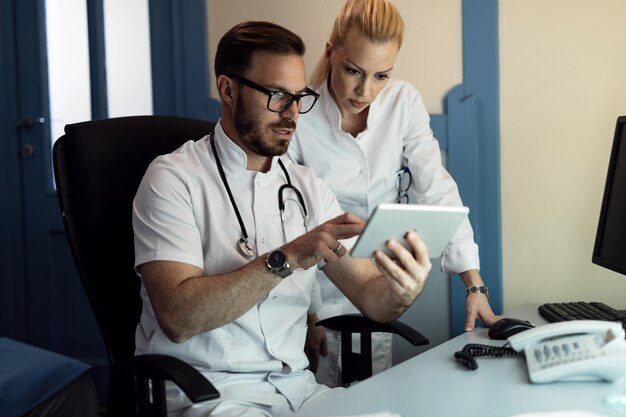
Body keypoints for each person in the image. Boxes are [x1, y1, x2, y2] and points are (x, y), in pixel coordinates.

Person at [132, 20, 431, 417]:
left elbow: (371, 298)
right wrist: (286, 257)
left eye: (299, 96)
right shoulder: (172, 179)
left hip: (298, 391)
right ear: (227, 89)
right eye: (276, 96)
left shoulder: (309, 188)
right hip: (210, 394)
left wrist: (401, 290)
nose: (292, 113)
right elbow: (178, 317)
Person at [288, 0, 501, 388]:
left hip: (380, 277)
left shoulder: (403, 102)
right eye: (353, 70)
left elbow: (437, 188)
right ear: (330, 52)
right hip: (311, 282)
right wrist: (307, 312)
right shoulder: (299, 112)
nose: (364, 90)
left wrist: (475, 285)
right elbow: (288, 217)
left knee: (371, 392)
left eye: (381, 75)